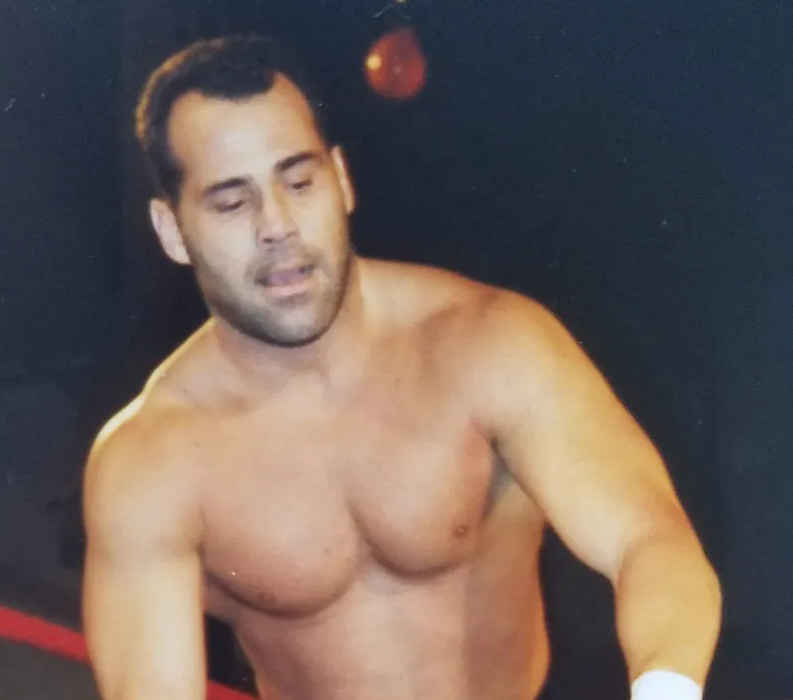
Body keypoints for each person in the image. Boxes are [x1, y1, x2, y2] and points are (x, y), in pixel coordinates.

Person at [80, 34, 722, 700]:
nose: (278, 224)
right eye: (232, 202)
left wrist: (665, 690)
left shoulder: (488, 344)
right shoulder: (150, 462)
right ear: (172, 230)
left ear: (342, 179)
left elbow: (650, 539)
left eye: (299, 181)